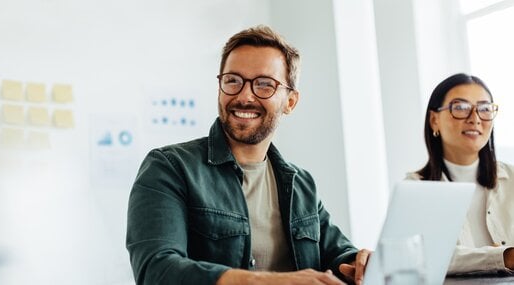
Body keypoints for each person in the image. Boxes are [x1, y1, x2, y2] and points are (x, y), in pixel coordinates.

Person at [126, 25, 370, 285]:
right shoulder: (169, 168)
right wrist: (268, 281)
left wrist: (360, 263)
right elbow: (156, 270)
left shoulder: (301, 184)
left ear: (290, 102)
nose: (244, 96)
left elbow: (338, 255)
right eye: (233, 81)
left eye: (264, 85)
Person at [407, 73, 514, 274]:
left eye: (484, 109)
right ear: (434, 120)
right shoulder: (415, 189)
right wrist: (503, 256)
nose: (475, 118)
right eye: (461, 108)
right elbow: (426, 257)